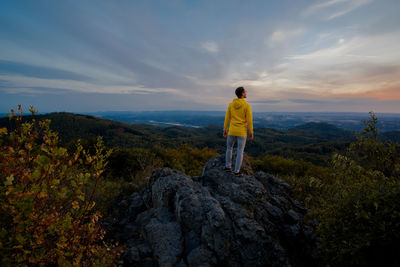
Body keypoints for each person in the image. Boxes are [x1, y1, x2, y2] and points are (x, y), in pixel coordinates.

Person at [223, 86, 254, 176]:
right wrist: (251, 132)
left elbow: (227, 118)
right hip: (241, 132)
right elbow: (249, 120)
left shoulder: (231, 105)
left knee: (229, 148)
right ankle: (236, 171)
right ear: (242, 94)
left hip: (232, 130)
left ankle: (227, 167)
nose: (246, 93)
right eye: (245, 92)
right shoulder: (247, 105)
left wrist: (225, 129)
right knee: (240, 151)